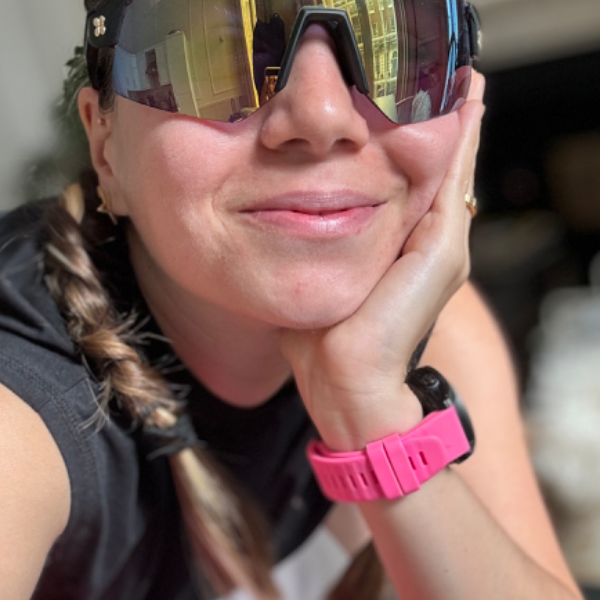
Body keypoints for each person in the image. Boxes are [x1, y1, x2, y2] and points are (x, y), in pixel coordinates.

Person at [0, 1, 584, 599]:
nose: (323, 117)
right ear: (106, 145)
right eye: (219, 56)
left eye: (397, 51)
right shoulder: (18, 423)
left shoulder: (414, 312)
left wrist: (374, 416)